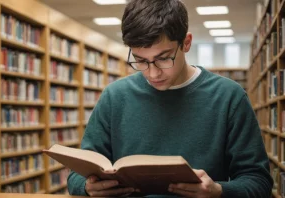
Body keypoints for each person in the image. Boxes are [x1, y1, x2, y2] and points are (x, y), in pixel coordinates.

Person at [67, 0, 273, 197]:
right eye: (141, 61)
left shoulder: (229, 97)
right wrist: (87, 187)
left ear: (186, 43)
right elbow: (76, 175)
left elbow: (259, 181)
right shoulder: (114, 97)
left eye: (163, 58)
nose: (152, 73)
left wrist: (219, 191)